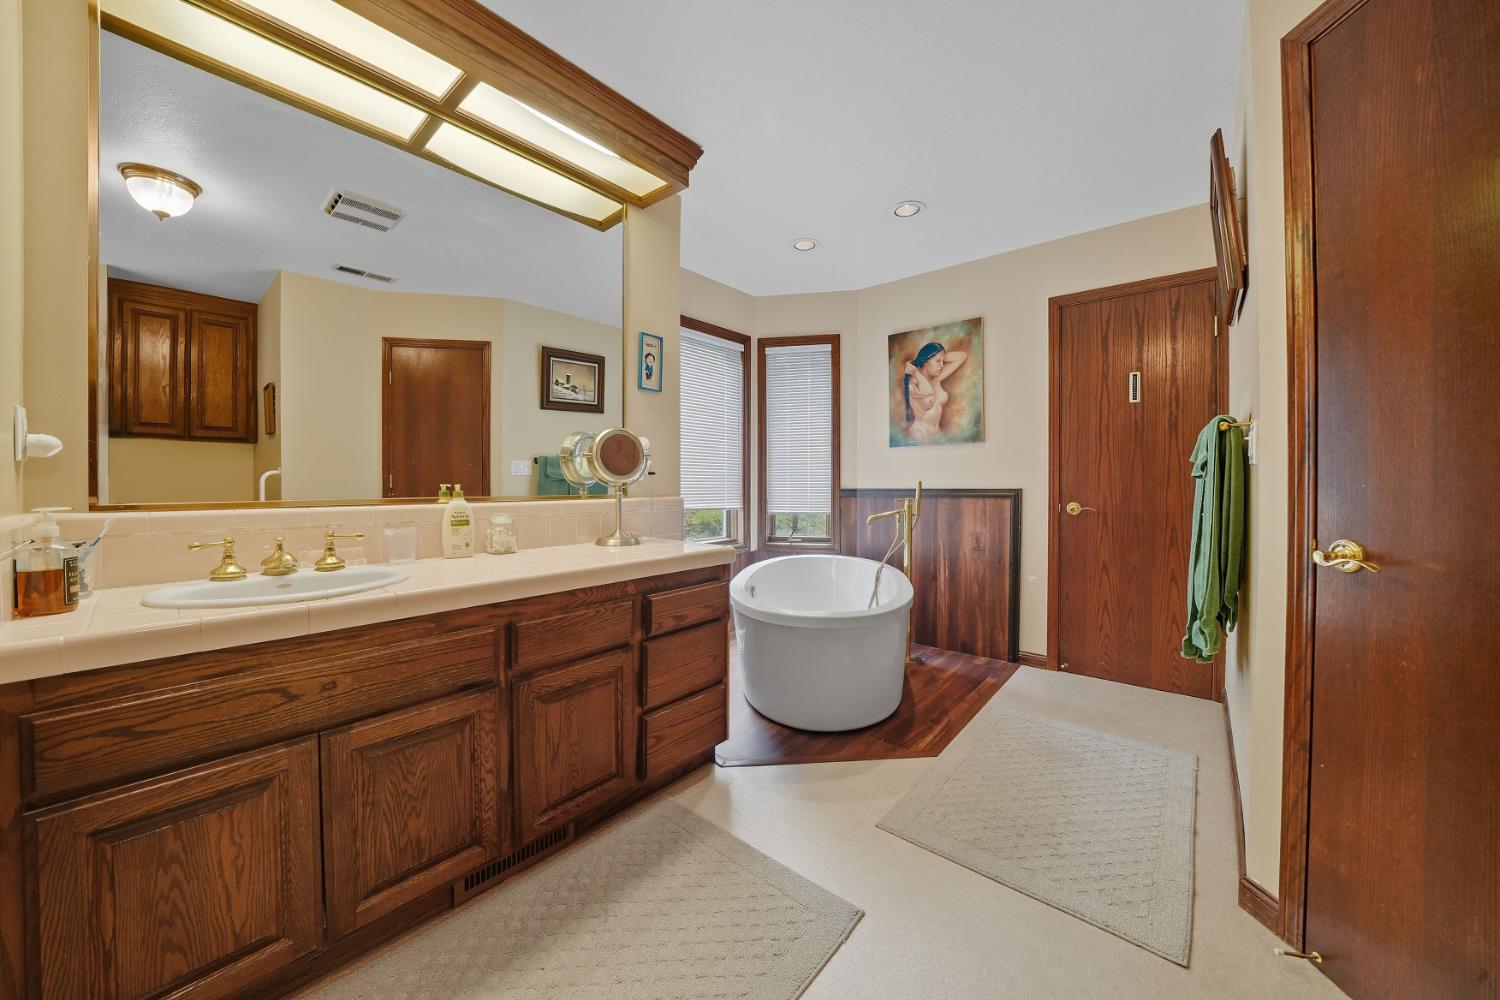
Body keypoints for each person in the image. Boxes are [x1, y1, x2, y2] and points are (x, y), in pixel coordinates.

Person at [902, 342, 967, 440]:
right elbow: (929, 392)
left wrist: (940, 356)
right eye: (938, 361)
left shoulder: (936, 378)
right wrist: (916, 372)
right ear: (926, 361)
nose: (942, 365)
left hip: (937, 435)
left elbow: (962, 356)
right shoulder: (913, 383)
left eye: (942, 361)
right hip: (919, 435)